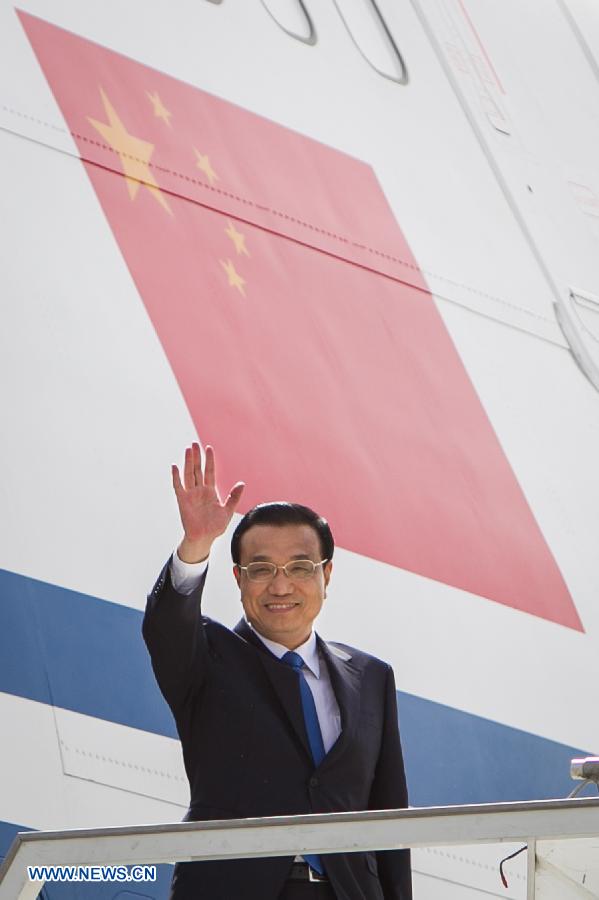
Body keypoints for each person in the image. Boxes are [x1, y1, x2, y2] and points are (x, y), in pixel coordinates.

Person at [143, 443, 412, 900]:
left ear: (327, 575)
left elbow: (387, 819)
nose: (281, 585)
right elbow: (167, 625)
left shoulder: (371, 678)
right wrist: (196, 546)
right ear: (238, 579)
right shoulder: (207, 658)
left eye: (300, 568)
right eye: (261, 568)